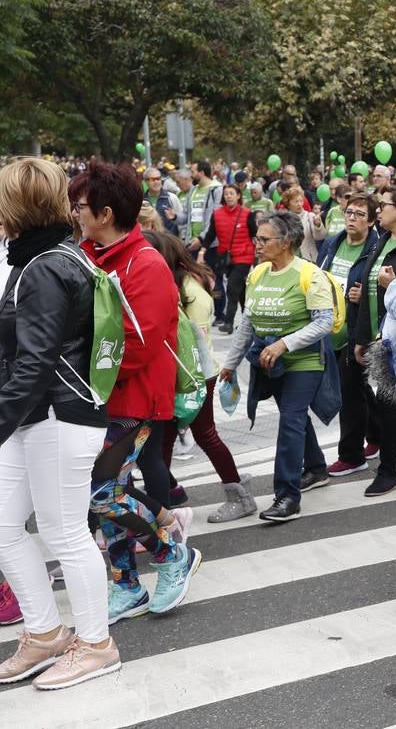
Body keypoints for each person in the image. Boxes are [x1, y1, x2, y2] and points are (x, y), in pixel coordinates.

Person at [0, 158, 120, 689]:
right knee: (5, 528)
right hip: (38, 414)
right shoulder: (44, 258)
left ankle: (96, 644)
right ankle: (46, 633)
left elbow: (36, 362)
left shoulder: (45, 265)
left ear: (16, 205)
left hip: (55, 414)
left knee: (64, 532)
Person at [70, 163, 199, 622]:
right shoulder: (88, 254)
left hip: (135, 398)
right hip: (98, 397)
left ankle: (170, 554)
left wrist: (80, 370)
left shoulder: (143, 263)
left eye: (82, 206)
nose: (76, 213)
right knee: (108, 489)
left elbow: (138, 345)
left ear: (106, 212)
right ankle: (126, 584)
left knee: (101, 491)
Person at [219, 211, 336, 523]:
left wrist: (285, 343)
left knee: (291, 419)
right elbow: (247, 323)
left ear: (286, 243)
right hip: (271, 362)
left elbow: (324, 322)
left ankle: (287, 496)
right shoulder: (258, 274)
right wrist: (229, 364)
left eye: (264, 239)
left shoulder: (309, 275)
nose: (257, 244)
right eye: (257, 238)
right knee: (294, 418)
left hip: (305, 361)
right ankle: (315, 466)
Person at [142, 230, 256, 523]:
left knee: (202, 435)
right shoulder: (186, 280)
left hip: (191, 372)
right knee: (167, 438)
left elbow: (184, 336)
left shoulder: (186, 288)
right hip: (190, 370)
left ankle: (238, 497)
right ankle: (164, 506)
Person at [345, 186, 396, 497]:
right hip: (380, 338)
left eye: (385, 205)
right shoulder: (381, 242)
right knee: (388, 404)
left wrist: (394, 283)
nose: (379, 210)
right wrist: (361, 339)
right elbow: (367, 294)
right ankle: (389, 470)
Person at [318, 193, 381, 481]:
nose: (352, 218)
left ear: (370, 221)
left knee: (350, 396)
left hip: (355, 332)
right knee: (358, 389)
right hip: (329, 330)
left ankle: (351, 456)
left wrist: (360, 295)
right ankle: (377, 435)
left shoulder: (375, 248)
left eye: (359, 214)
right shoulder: (334, 243)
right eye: (349, 212)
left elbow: (380, 288)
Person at [192, 184, 256, 333]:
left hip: (244, 257)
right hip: (226, 258)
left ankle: (228, 322)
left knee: (232, 287)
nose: (228, 196)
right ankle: (250, 321)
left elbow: (255, 235)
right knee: (240, 292)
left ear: (238, 196)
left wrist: (259, 254)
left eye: (231, 193)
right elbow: (210, 236)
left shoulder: (247, 214)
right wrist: (202, 252)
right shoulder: (217, 214)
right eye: (226, 194)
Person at [185, 160, 225, 320]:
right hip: (192, 242)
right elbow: (187, 216)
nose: (191, 174)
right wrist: (174, 217)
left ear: (201, 172)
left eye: (193, 171)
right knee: (196, 278)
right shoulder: (193, 190)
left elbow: (214, 218)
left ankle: (220, 313)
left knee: (214, 278)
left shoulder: (217, 189)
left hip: (210, 243)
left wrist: (202, 239)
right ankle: (202, 310)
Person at [279, 186, 326, 261]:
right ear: (288, 204)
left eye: (301, 201)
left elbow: (320, 237)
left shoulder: (310, 216)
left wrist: (318, 225)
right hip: (290, 260)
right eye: (296, 201)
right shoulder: (284, 219)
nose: (299, 204)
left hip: (310, 260)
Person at [143, 168, 181, 233]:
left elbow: (180, 219)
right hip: (149, 240)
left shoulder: (171, 197)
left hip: (169, 240)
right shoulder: (141, 200)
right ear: (146, 181)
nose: (156, 182)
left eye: (158, 179)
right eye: (153, 179)